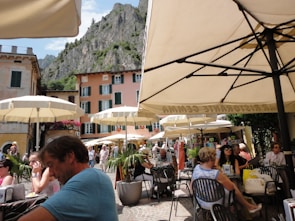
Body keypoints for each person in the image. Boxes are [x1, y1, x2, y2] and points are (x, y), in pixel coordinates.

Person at [18, 135, 118, 221]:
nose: (51, 173)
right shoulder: (97, 175)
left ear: (70, 157)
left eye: (51, 165)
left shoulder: (86, 180)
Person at [190, 147, 262, 214]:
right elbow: (231, 188)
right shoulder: (215, 173)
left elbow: (192, 187)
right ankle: (246, 207)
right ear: (211, 158)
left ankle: (246, 207)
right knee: (233, 186)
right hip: (216, 202)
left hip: (201, 202)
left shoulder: (197, 168)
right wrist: (220, 171)